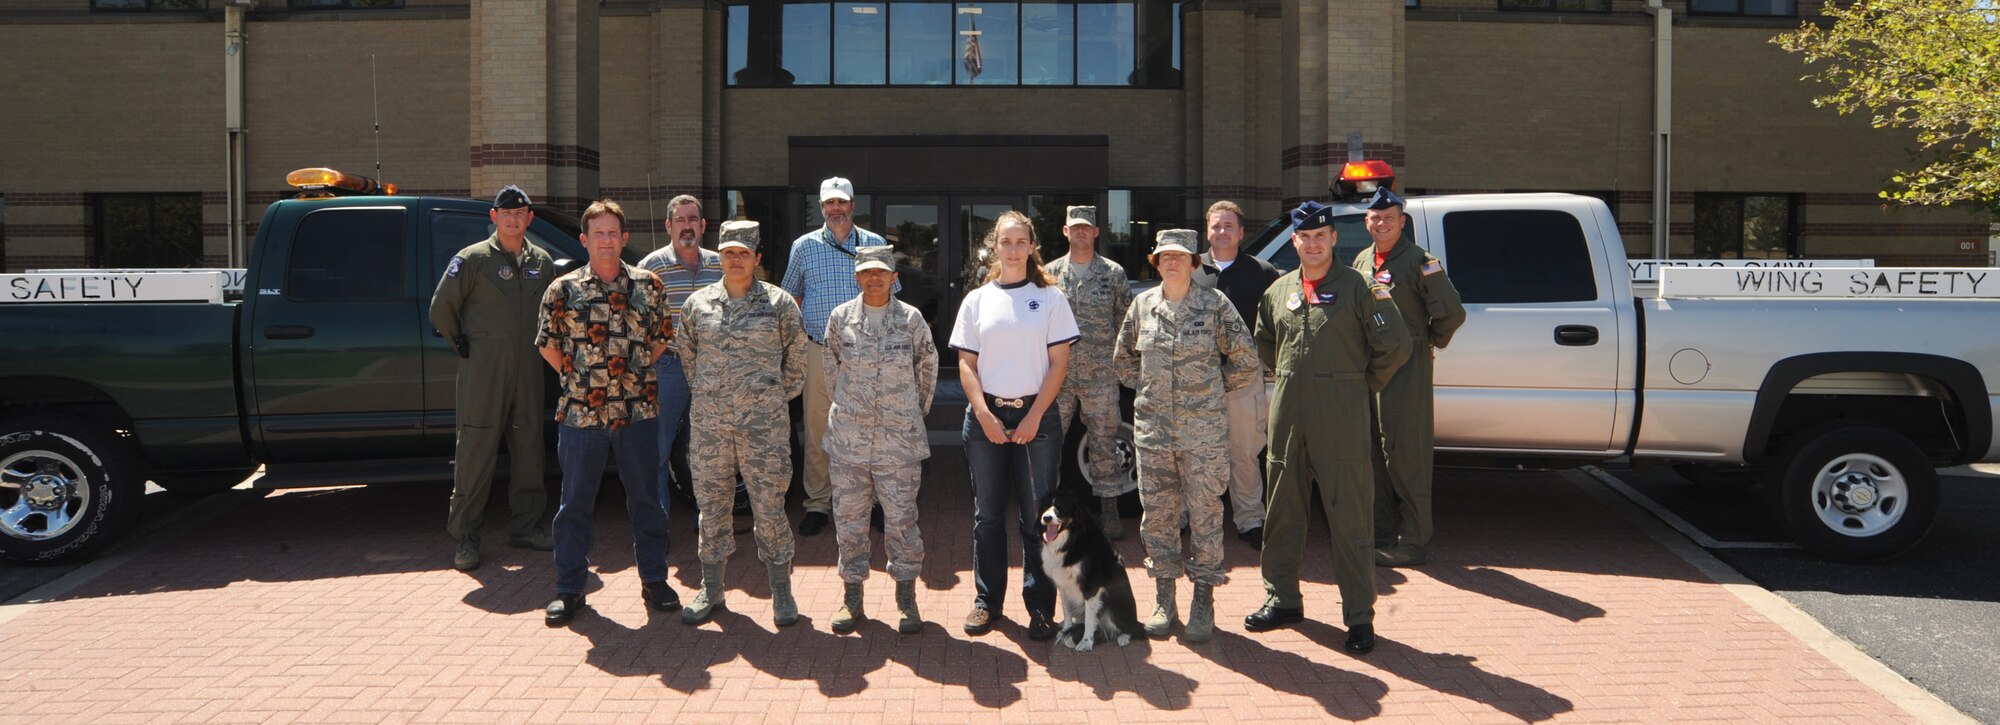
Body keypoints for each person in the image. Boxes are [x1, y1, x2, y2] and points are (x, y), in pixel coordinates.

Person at [1245, 200, 1410, 655]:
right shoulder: (1278, 290)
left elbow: (1395, 346)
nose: (1313, 244)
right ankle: (1282, 599)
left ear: (1334, 239)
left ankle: (1359, 616)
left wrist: (1355, 384)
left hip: (1342, 416)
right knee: (1282, 510)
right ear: (1294, 241)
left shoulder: (1360, 287)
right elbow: (1265, 342)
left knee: (1349, 515)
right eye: (1305, 237)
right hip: (1288, 415)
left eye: (1321, 236)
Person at [534, 199, 679, 626]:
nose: (606, 240)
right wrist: (583, 380)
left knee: (646, 501)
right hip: (582, 416)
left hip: (638, 413)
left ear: (625, 238)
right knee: (575, 503)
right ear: (585, 239)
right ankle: (570, 588)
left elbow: (660, 340)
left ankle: (654, 579)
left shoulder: (649, 286)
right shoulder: (563, 290)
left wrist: (629, 379)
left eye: (613, 232)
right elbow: (547, 344)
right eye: (598, 233)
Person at [1113, 229, 1261, 644]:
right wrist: (1145, 388)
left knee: (1206, 517)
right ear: (1155, 262)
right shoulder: (1142, 306)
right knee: (1158, 517)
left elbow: (1246, 359)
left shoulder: (1213, 305)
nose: (1172, 262)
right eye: (1164, 256)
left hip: (1203, 436)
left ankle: (1203, 599)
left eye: (1180, 256)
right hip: (1154, 433)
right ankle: (1164, 598)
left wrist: (1213, 388)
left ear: (1194, 262)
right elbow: (1122, 358)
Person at [951, 210, 1079, 641]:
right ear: (995, 246)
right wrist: (984, 415)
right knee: (986, 517)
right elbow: (966, 364)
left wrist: (1033, 416)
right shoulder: (976, 300)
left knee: (1037, 520)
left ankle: (1041, 609)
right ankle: (987, 603)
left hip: (1036, 418)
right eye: (1005, 241)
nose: (1012, 248)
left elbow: (1059, 364)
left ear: (1031, 247)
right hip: (986, 417)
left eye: (1020, 241)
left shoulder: (1050, 299)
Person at [679, 220, 809, 627]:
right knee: (712, 508)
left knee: (769, 509)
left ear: (757, 258)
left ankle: (782, 593)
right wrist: (715, 398)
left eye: (743, 253)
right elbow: (689, 360)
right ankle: (712, 588)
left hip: (764, 428)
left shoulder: (780, 304)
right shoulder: (697, 305)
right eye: (728, 252)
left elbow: (797, 364)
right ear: (719, 256)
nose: (735, 260)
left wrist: (766, 401)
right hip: (710, 428)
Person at [429, 185, 557, 572]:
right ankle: (465, 536)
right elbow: (441, 309)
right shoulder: (472, 260)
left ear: (530, 218)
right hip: (483, 371)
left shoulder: (543, 262)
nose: (514, 219)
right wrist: (465, 346)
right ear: (495, 218)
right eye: (506, 213)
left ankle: (526, 526)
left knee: (530, 446)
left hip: (528, 371)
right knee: (475, 449)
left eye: (521, 213)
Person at [823, 245, 939, 634]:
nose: (874, 278)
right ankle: (852, 596)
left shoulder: (911, 320)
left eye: (882, 273)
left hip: (899, 442)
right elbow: (830, 371)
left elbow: (928, 368)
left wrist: (908, 413)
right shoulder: (841, 319)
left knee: (902, 520)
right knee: (850, 520)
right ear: (857, 277)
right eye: (867, 273)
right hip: (849, 441)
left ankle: (906, 597)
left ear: (894, 278)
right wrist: (851, 410)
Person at [1351, 188, 1466, 568]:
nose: (1381, 223)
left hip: (1406, 367)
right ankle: (1382, 534)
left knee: (1407, 455)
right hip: (1371, 366)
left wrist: (1428, 340)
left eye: (1389, 217)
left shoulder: (1420, 261)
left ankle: (1414, 542)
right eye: (1375, 217)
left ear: (1402, 222)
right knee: (1373, 454)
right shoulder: (1363, 259)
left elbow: (1451, 311)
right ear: (1367, 222)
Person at [782, 176, 895, 537]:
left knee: (870, 429)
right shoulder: (804, 247)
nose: (836, 209)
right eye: (829, 203)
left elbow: (894, 298)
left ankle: (872, 501)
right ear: (821, 207)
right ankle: (818, 503)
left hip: (868, 353)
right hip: (819, 349)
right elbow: (790, 299)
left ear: (852, 205)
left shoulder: (876, 244)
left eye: (841, 202)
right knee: (818, 429)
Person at [1191, 200, 1283, 550]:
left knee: (1244, 450)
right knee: (1195, 450)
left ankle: (1250, 519)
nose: (1222, 232)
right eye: (1216, 226)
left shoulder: (1263, 272)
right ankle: (1190, 515)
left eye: (1229, 226)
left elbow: (1276, 323)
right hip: (1196, 378)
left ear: (1242, 232)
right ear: (1207, 231)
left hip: (1245, 377)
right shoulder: (1191, 268)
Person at [636, 194, 733, 517]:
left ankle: (711, 521)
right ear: (668, 226)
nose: (687, 226)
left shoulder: (721, 265)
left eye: (693, 220)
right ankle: (657, 524)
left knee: (712, 450)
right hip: (669, 367)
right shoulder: (651, 268)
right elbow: (635, 321)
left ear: (703, 225)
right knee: (658, 448)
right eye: (680, 220)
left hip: (712, 370)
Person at [1043, 205, 1133, 538]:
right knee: (1049, 445)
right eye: (1074, 227)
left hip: (1100, 376)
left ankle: (1109, 513)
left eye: (1087, 228)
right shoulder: (1049, 275)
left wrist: (1120, 366)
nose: (1081, 232)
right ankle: (1047, 509)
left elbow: (1125, 325)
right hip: (1059, 377)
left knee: (1104, 444)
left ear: (1096, 232)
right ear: (1065, 232)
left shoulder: (1114, 273)